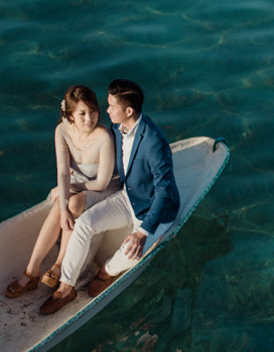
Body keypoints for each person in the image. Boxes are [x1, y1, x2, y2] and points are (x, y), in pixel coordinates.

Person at [40, 79, 181, 314]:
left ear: (128, 111)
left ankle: (106, 270)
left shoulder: (154, 142)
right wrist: (70, 183)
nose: (106, 111)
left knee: (131, 253)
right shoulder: (117, 128)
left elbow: (164, 192)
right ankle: (66, 287)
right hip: (128, 197)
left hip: (154, 210)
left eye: (111, 106)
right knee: (84, 224)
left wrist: (141, 233)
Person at [5, 85, 119, 298]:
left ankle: (57, 266)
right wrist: (65, 199)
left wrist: (70, 190)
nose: (89, 118)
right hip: (77, 184)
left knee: (71, 202)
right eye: (82, 113)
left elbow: (102, 183)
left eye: (93, 111)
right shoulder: (62, 130)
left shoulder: (104, 137)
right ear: (70, 115)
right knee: (62, 205)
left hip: (103, 188)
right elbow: (63, 172)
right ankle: (33, 270)